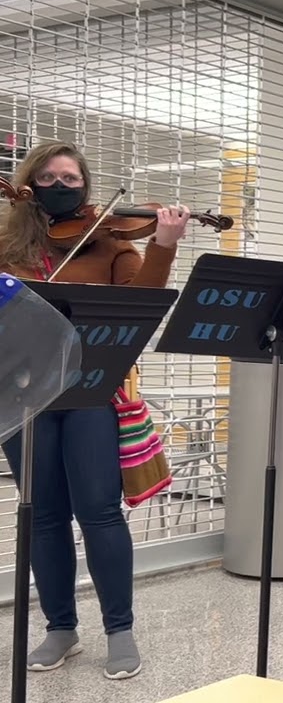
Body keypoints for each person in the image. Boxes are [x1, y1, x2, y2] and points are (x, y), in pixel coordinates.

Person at [0, 141, 189, 679]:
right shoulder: (6, 247)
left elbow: (141, 306)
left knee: (100, 512)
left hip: (90, 392)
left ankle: (119, 629)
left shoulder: (108, 241)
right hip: (25, 396)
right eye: (50, 177)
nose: (63, 186)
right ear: (28, 186)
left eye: (72, 178)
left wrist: (164, 244)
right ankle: (60, 628)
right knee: (43, 517)